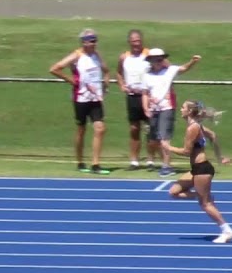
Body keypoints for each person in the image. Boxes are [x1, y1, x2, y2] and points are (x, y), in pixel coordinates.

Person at [165, 100, 232, 244]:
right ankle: (203, 195)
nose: (180, 110)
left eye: (183, 107)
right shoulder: (198, 126)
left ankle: (226, 230)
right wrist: (220, 157)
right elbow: (213, 136)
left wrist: (168, 148)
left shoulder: (193, 128)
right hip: (196, 169)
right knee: (173, 192)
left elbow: (186, 151)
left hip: (202, 169)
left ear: (189, 111)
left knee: (205, 205)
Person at [49, 28, 112, 174]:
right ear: (84, 42)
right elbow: (54, 69)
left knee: (100, 128)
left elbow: (106, 70)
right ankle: (80, 161)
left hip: (95, 98)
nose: (94, 44)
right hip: (81, 98)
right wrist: (71, 80)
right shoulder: (77, 55)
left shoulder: (97, 55)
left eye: (95, 41)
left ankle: (96, 164)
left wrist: (105, 85)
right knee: (81, 130)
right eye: (91, 41)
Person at [141, 48, 202, 176]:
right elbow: (145, 93)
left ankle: (166, 165)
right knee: (154, 139)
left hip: (166, 108)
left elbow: (183, 69)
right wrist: (146, 108)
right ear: (150, 61)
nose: (158, 61)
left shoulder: (169, 71)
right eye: (155, 59)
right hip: (153, 110)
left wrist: (192, 62)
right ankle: (164, 161)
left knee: (164, 138)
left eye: (160, 59)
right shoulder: (146, 75)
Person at [115, 28, 156, 170]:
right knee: (134, 128)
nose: (136, 44)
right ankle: (134, 161)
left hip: (147, 96)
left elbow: (163, 67)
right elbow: (119, 73)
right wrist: (122, 85)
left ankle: (151, 160)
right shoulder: (124, 57)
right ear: (129, 42)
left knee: (151, 128)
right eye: (133, 41)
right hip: (132, 96)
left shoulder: (149, 54)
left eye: (138, 41)